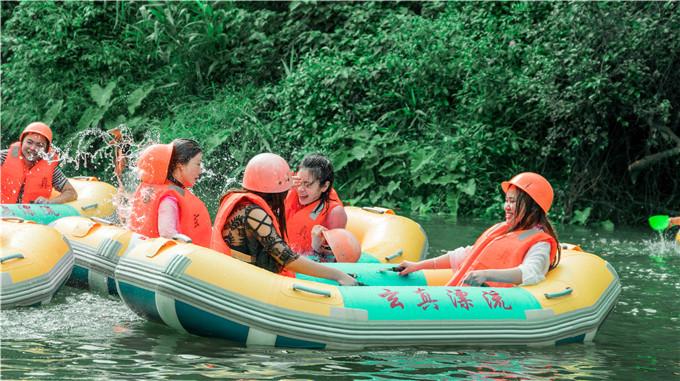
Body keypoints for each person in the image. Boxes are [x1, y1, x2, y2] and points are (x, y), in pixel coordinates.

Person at [210, 152, 358, 285]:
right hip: (240, 280)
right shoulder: (255, 213)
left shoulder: (239, 199)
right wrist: (338, 275)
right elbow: (287, 258)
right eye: (296, 183)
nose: (295, 189)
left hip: (229, 270)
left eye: (306, 184)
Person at [398, 172, 561, 287]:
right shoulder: (503, 230)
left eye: (513, 202)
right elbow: (466, 255)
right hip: (463, 296)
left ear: (533, 209)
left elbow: (530, 272)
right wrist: (417, 265)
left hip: (493, 305)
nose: (507, 207)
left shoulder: (540, 244)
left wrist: (486, 274)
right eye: (507, 201)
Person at [128, 139, 211, 247]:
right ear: (180, 165)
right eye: (198, 164)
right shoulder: (168, 199)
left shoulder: (156, 189)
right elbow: (167, 234)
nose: (200, 171)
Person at [284, 154, 348, 256]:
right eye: (299, 182)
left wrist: (317, 248)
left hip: (308, 264)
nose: (300, 189)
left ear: (324, 186)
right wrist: (282, 189)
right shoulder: (288, 193)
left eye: (308, 184)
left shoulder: (335, 213)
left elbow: (339, 259)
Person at [1, 122, 77, 204]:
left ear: (46, 149)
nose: (33, 148)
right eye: (29, 142)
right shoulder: (3, 157)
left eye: (39, 145)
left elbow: (71, 193)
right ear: (22, 142)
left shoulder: (50, 168)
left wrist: (50, 202)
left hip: (30, 214)